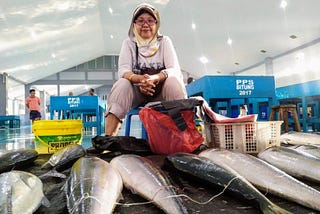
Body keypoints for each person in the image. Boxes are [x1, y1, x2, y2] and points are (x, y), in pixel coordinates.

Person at [105, 3, 187, 136]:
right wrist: (141, 80)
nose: (145, 24)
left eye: (150, 21)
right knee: (121, 84)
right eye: (140, 21)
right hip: (137, 94)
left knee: (173, 81)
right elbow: (123, 70)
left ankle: (182, 137)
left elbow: (174, 69)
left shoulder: (165, 42)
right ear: (134, 24)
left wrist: (154, 78)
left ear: (156, 24)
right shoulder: (128, 43)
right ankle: (108, 139)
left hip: (161, 94)